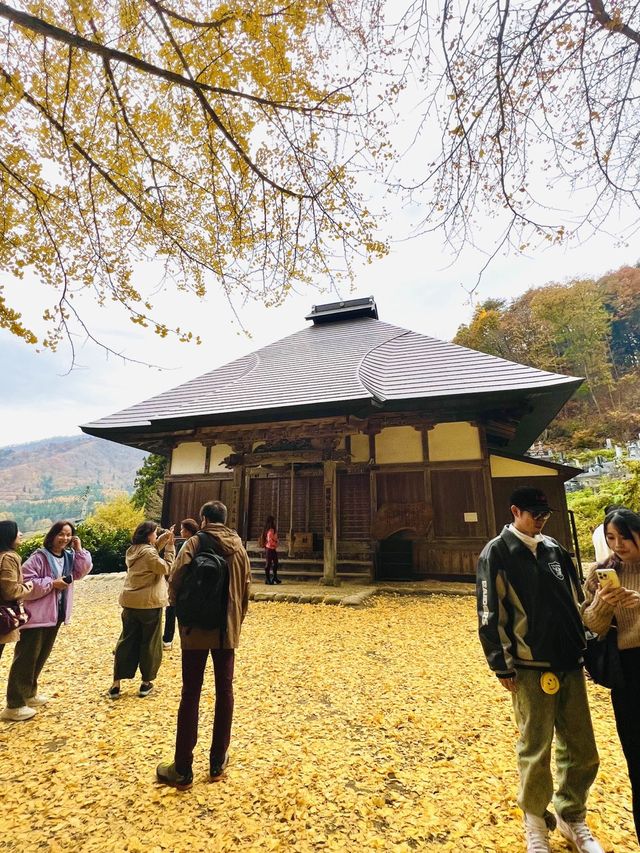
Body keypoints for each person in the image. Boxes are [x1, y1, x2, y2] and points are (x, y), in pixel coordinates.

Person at [477, 486, 603, 853]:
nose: (541, 520)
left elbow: (575, 599)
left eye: (545, 515)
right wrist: (501, 665)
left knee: (582, 747)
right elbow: (489, 613)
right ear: (515, 511)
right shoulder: (497, 552)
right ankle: (535, 823)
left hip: (568, 661)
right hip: (530, 666)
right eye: (534, 514)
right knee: (535, 747)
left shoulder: (554, 550)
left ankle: (572, 815)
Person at [156, 500, 251, 789]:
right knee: (225, 691)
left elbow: (175, 579)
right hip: (227, 630)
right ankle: (217, 761)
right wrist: (237, 620)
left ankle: (183, 767)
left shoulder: (195, 542)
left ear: (204, 519)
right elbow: (246, 588)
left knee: (191, 693)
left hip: (196, 628)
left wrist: (181, 614)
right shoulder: (239, 546)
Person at [582, 507, 640, 845]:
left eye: (624, 537)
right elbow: (592, 627)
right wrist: (603, 604)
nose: (618, 545)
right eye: (611, 538)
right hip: (629, 674)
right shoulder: (600, 574)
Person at [1, 520, 92, 722]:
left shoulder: (68, 556)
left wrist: (79, 550)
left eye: (69, 535)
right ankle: (14, 703)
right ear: (52, 535)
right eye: (61, 534)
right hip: (37, 615)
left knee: (40, 656)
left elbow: (81, 572)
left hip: (55, 614)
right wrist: (52, 584)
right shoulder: (38, 557)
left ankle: (29, 693)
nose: (65, 538)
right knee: (26, 658)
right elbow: (25, 582)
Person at [109, 521, 175, 699]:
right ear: (148, 535)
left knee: (127, 640)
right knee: (150, 643)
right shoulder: (149, 553)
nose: (155, 535)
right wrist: (169, 548)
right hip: (148, 604)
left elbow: (150, 554)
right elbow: (165, 567)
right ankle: (146, 682)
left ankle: (116, 683)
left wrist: (161, 539)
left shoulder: (132, 551)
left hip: (130, 602)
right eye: (154, 533)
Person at [163, 519, 199, 650]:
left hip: (184, 582)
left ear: (188, 531)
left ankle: (168, 639)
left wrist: (172, 580)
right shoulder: (187, 543)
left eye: (183, 529)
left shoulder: (191, 544)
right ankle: (169, 639)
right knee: (172, 610)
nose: (181, 531)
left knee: (172, 609)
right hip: (185, 582)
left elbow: (180, 565)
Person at [0, 521, 33, 665]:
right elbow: (10, 591)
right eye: (17, 531)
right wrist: (28, 587)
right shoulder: (8, 558)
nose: (20, 534)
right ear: (8, 536)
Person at [260, 515, 281, 585]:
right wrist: (276, 542)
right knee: (268, 564)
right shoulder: (270, 530)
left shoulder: (271, 529)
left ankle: (274, 577)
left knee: (275, 563)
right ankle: (267, 579)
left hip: (272, 548)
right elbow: (270, 540)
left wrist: (276, 542)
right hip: (269, 548)